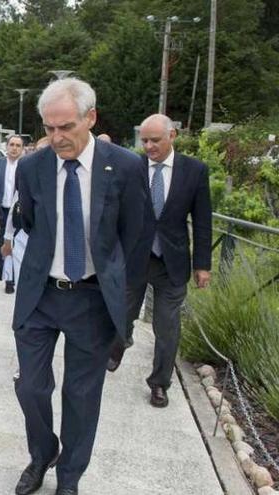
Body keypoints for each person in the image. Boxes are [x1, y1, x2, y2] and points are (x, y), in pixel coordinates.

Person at [12, 78, 146, 495]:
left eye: (66, 127)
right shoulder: (33, 166)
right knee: (30, 386)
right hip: (40, 294)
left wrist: (126, 316)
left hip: (92, 298)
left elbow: (136, 242)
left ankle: (68, 477)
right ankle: (43, 452)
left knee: (81, 395)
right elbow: (30, 221)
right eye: (49, 128)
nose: (56, 137)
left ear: (90, 118)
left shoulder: (124, 166)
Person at [107, 114, 212, 409]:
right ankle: (117, 347)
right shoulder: (131, 167)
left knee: (167, 327)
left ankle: (159, 384)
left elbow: (203, 221)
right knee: (121, 313)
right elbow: (114, 210)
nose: (149, 146)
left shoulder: (194, 171)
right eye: (145, 140)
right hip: (134, 258)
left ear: (173, 136)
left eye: (155, 140)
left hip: (172, 262)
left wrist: (203, 265)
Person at [0, 135, 25, 294]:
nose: (14, 148)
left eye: (18, 145)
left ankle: (10, 280)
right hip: (1, 211)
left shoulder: (26, 165)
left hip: (18, 213)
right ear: (7, 146)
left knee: (14, 247)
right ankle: (4, 267)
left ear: (22, 148)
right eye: (12, 144)